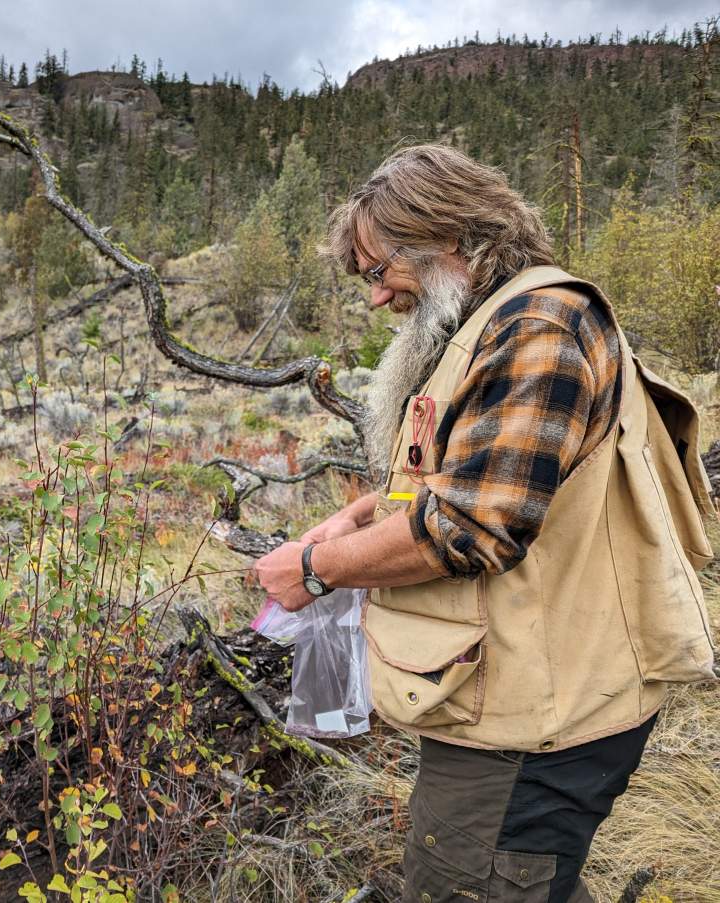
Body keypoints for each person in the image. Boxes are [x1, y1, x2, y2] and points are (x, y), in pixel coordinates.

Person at [253, 144, 716, 903]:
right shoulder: (494, 323)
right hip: (525, 700)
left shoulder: (539, 329)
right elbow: (468, 476)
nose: (375, 299)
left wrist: (314, 571)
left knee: (471, 884)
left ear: (449, 238)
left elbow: (475, 524)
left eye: (379, 272)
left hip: (541, 725)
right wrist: (361, 514)